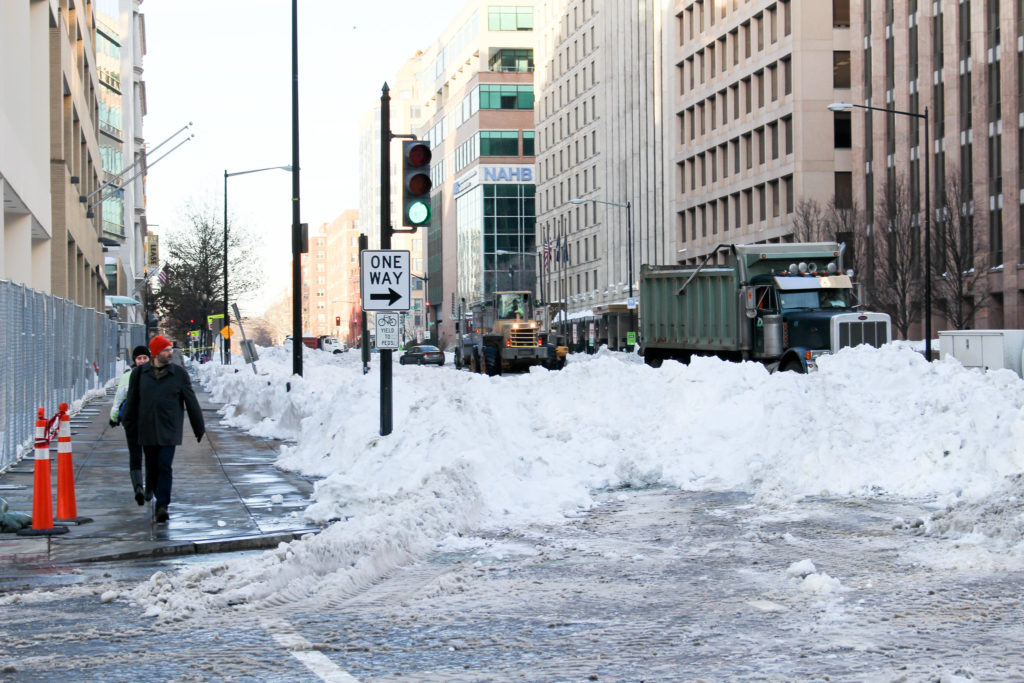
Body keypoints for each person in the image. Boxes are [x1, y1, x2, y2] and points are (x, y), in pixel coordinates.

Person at [122, 334, 205, 523]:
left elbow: (191, 401)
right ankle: (150, 487)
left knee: (164, 466)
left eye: (170, 350)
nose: (170, 353)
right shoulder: (139, 374)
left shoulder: (179, 374)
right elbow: (132, 401)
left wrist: (198, 426)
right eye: (166, 350)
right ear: (156, 353)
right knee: (151, 465)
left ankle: (162, 506)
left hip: (169, 429)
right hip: (147, 428)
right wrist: (129, 424)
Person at [110, 345, 151, 505]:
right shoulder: (152, 375)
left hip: (133, 421)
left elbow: (119, 400)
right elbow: (118, 398)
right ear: (135, 360)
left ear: (148, 358)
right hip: (144, 422)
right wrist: (113, 416)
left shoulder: (128, 375)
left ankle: (139, 487)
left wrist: (114, 417)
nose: (141, 361)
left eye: (144, 358)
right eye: (139, 358)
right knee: (147, 456)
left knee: (137, 456)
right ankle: (143, 489)